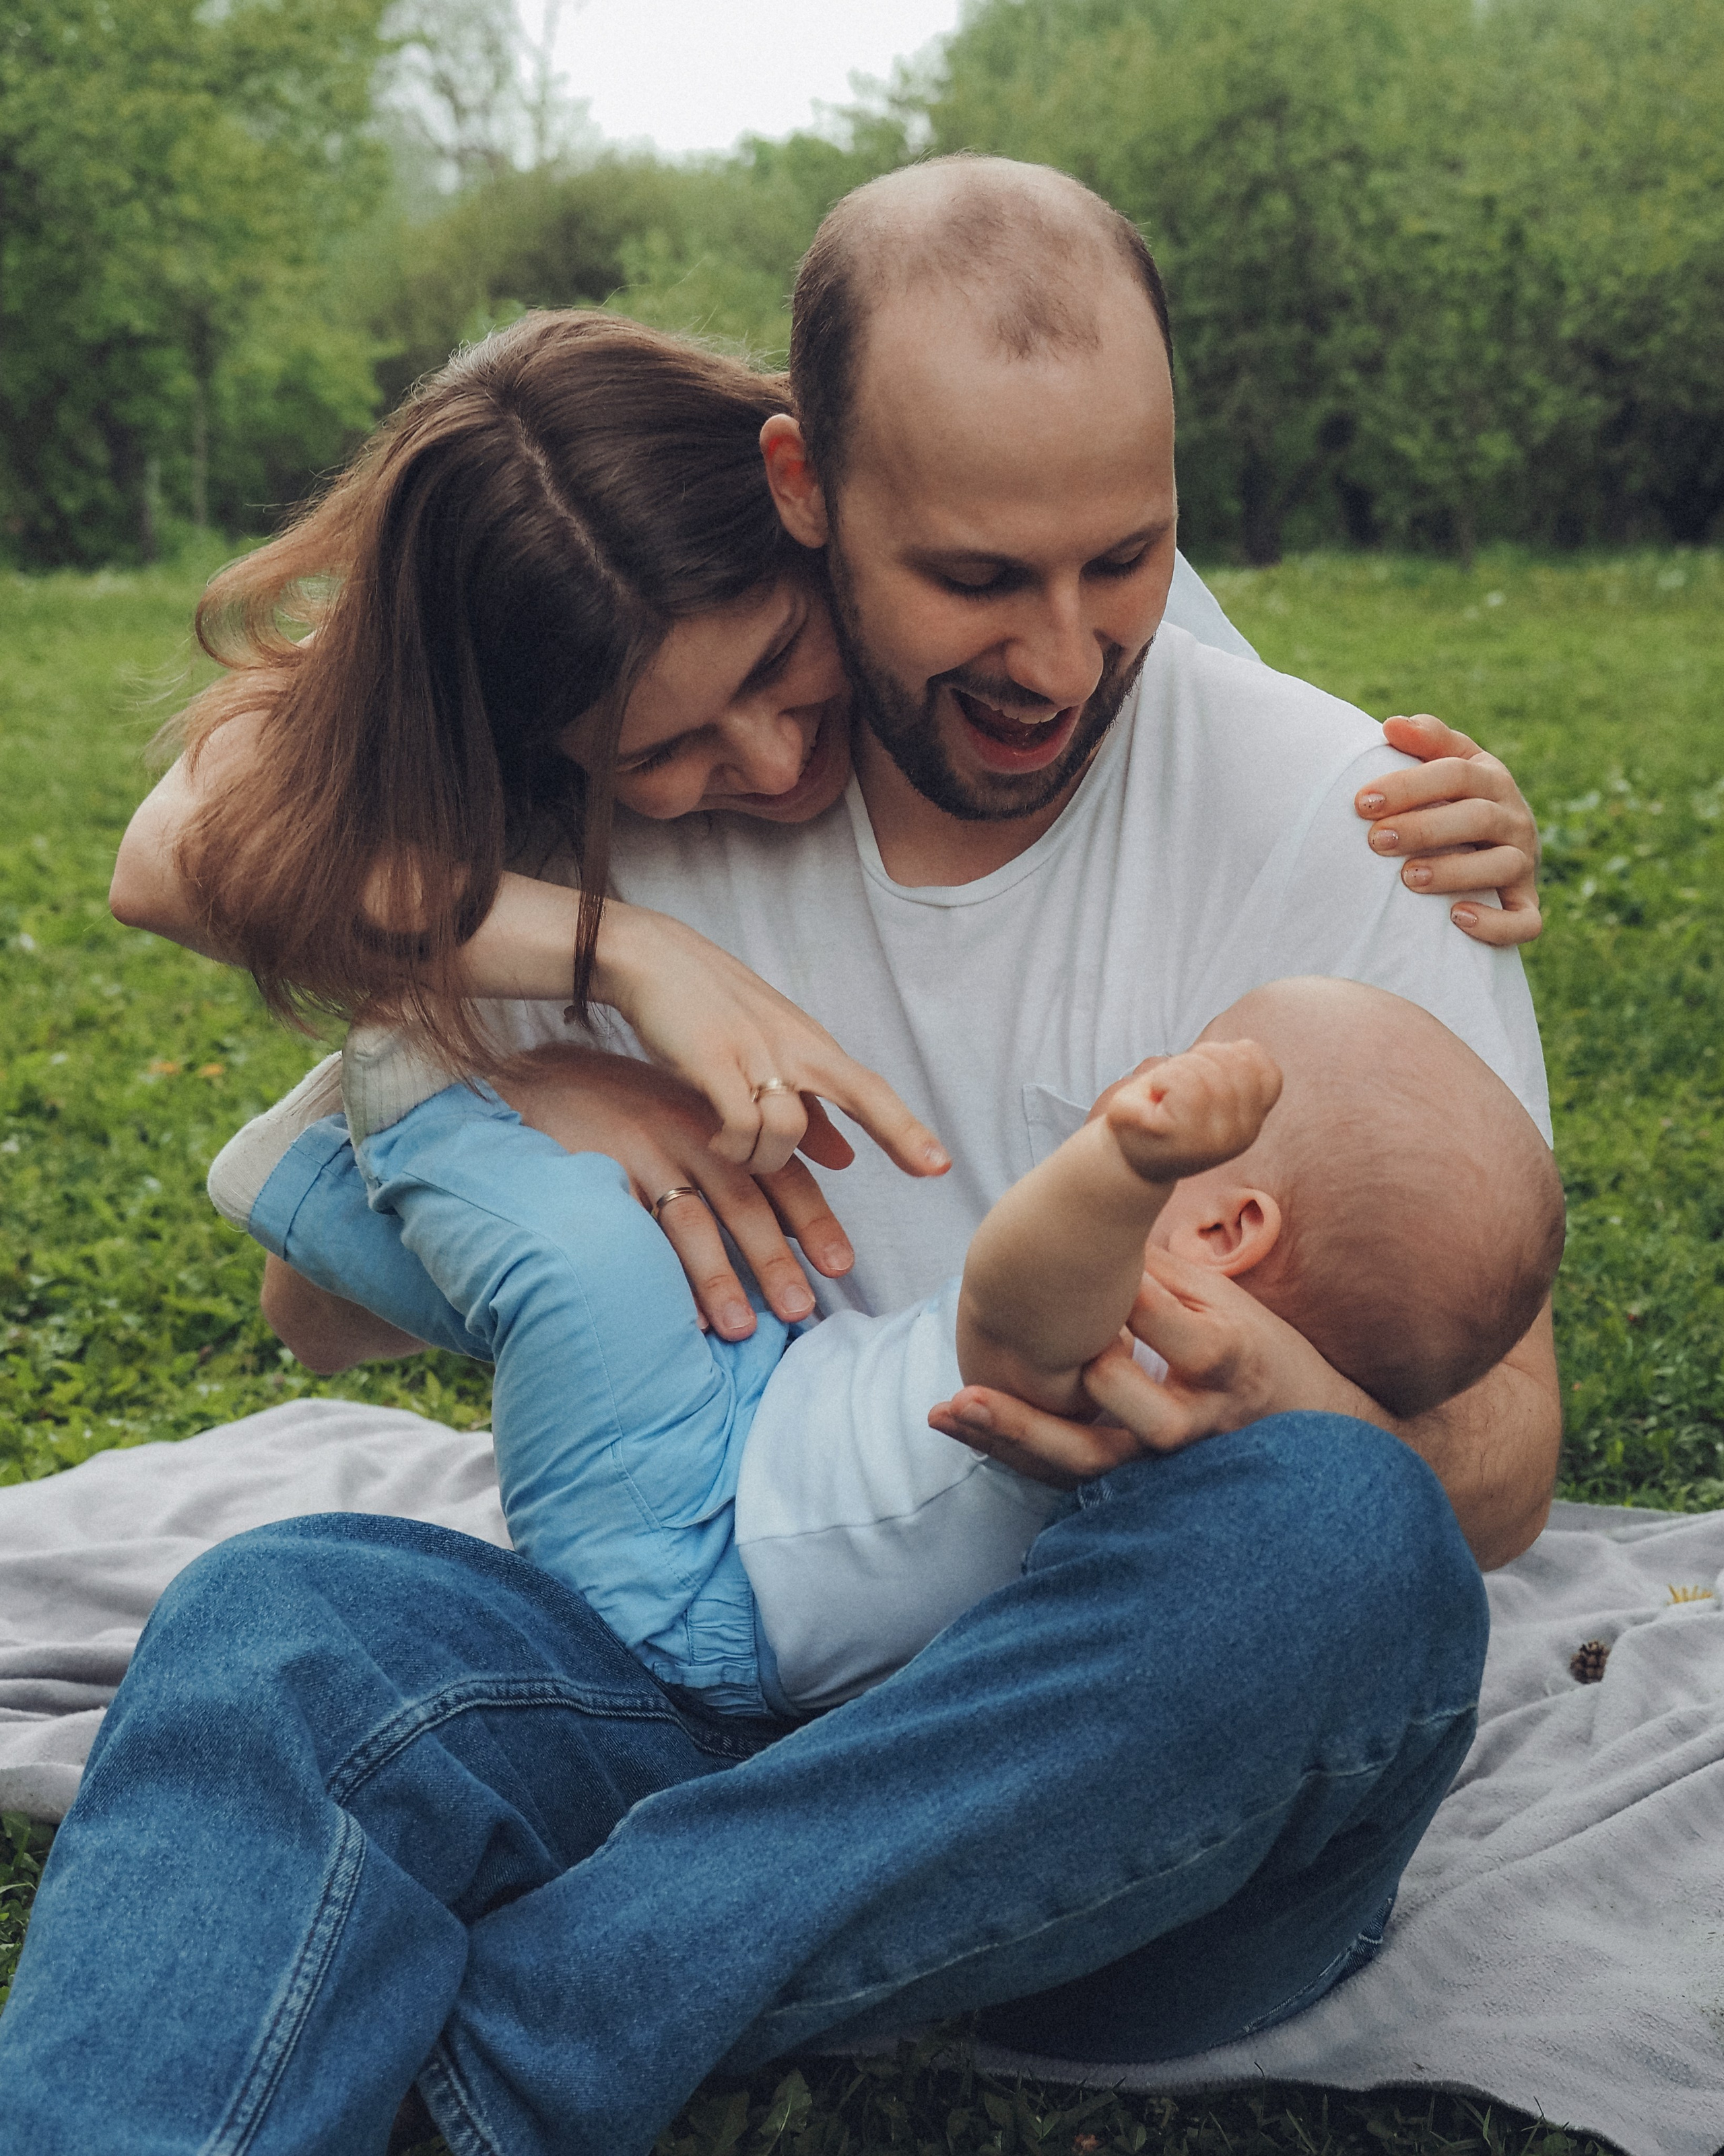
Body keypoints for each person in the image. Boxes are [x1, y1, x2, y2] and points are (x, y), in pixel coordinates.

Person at [2, 158, 1556, 2154]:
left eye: (1128, 558)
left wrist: (1261, 1400)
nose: (1064, 658)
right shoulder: (642, 737)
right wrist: (553, 1041)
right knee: (275, 1618)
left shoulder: (1350, 815)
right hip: (693, 1671)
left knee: (1338, 1542)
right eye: (977, 581)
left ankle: (502, 2063)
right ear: (806, 490)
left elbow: (1503, 1454)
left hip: (1103, 1755)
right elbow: (231, 914)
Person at [269, 979, 1562, 1724]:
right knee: (644, 1264)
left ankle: (398, 1109)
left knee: (585, 1270)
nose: (1137, 1080)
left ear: (1228, 1223)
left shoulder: (1160, 1353)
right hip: (765, 1412)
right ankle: (333, 1181)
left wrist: (1124, 1161)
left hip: (689, 1566)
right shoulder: (1213, 1373)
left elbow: (1009, 1300)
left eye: (1169, 1077)